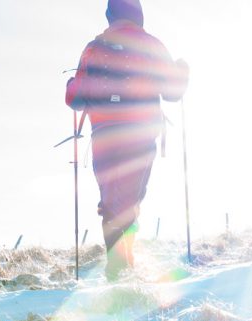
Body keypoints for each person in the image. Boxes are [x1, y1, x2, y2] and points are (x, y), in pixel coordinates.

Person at [66, 0, 189, 280]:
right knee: (129, 201)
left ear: (110, 15)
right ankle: (121, 268)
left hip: (105, 137)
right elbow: (172, 92)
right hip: (141, 134)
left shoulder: (95, 48)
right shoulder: (151, 45)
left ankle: (118, 267)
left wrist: (70, 85)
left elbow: (75, 99)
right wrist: (183, 71)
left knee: (111, 202)